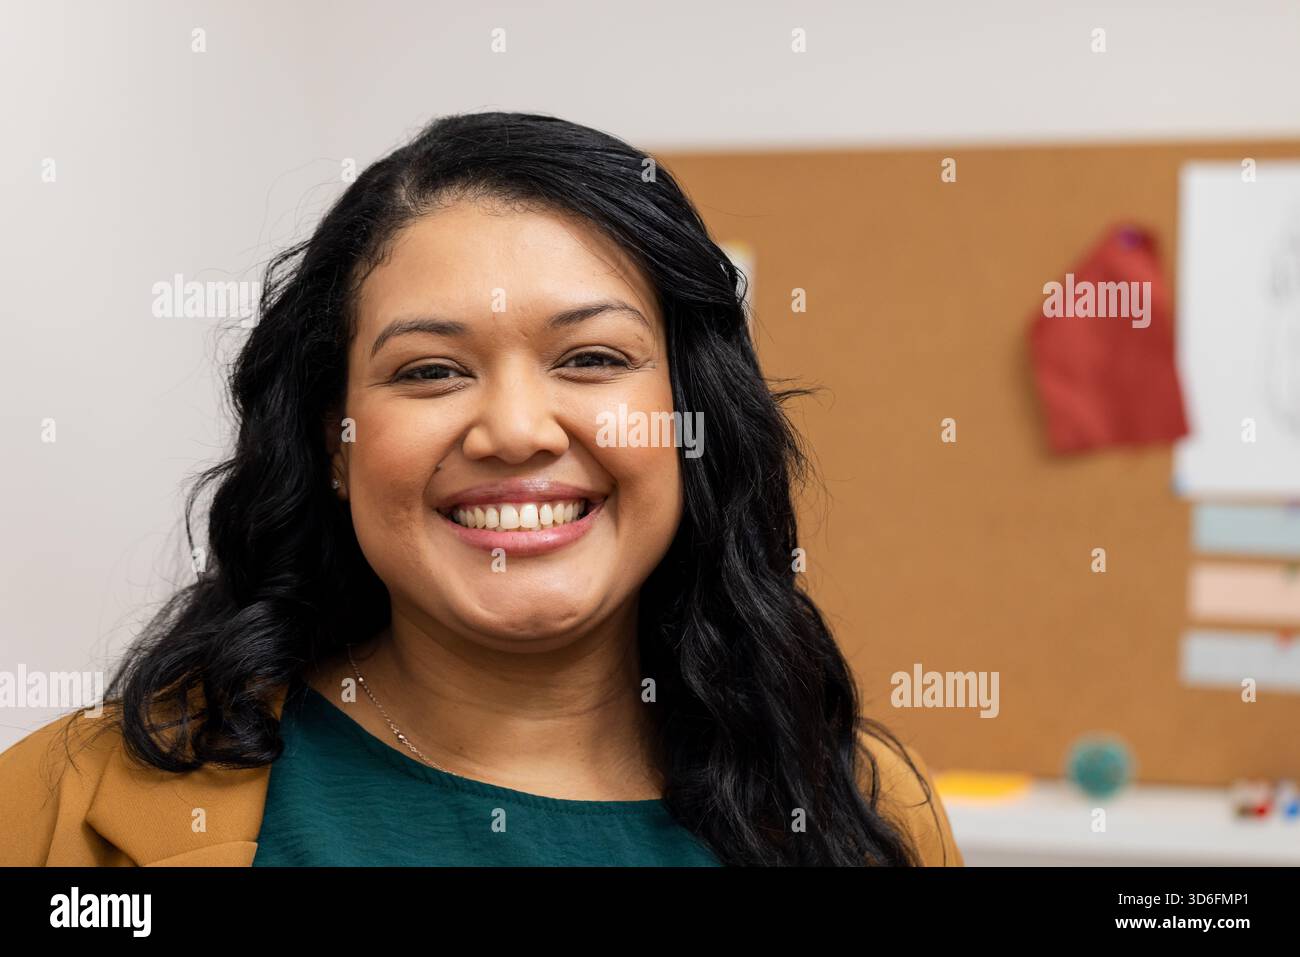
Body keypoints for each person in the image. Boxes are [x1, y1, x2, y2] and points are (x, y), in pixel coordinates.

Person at [0, 111, 962, 867]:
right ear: (332, 443)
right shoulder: (60, 808)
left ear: (688, 423)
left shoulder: (871, 810)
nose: (513, 430)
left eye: (590, 357)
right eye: (429, 371)